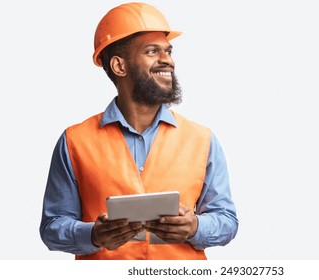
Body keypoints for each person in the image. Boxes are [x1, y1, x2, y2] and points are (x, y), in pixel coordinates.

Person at [39, 2, 238, 260]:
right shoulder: (75, 141)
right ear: (119, 66)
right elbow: (52, 227)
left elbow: (227, 220)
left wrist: (195, 227)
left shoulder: (202, 139)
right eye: (152, 51)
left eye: (168, 51)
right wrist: (94, 235)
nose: (167, 59)